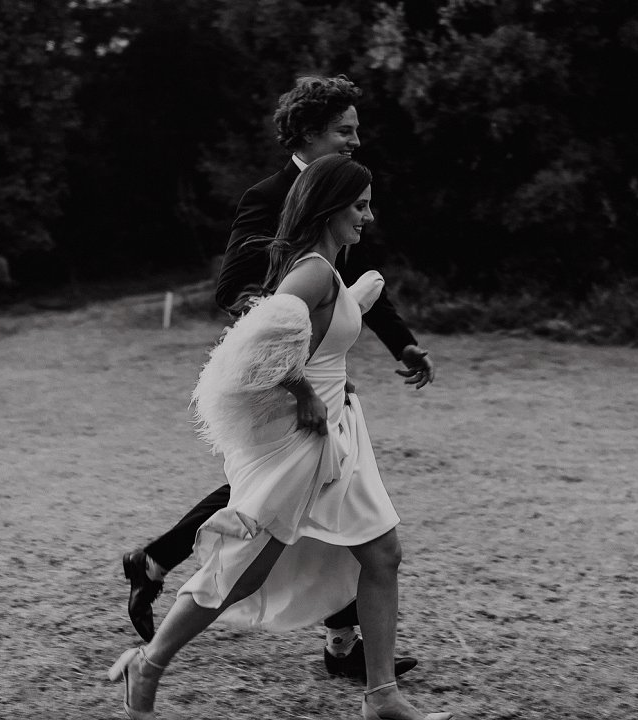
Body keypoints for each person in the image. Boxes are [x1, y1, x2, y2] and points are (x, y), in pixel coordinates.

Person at [109, 154, 452, 720]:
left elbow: (313, 340)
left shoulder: (327, 269)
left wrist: (341, 351)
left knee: (383, 554)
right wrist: (304, 391)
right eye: (360, 206)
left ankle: (382, 697)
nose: (368, 217)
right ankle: (147, 665)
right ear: (330, 207)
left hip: (342, 435)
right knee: (243, 569)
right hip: (306, 442)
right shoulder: (312, 271)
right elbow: (257, 347)